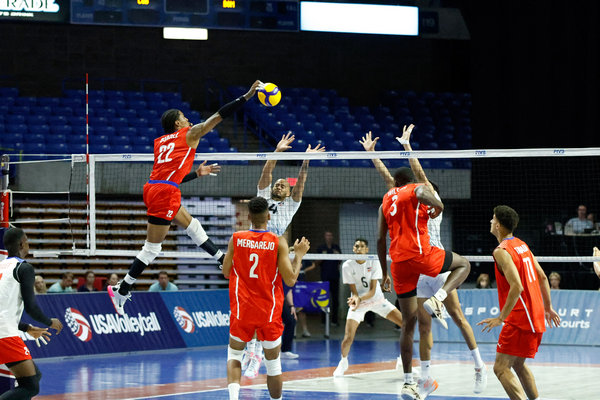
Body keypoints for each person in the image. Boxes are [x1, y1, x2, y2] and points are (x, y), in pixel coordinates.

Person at [108, 81, 262, 315]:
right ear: (177, 123)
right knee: (152, 248)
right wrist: (247, 96)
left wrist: (196, 174)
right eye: (184, 116)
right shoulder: (190, 134)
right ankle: (122, 287)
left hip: (156, 188)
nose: (189, 118)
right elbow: (219, 116)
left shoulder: (160, 143)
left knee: (192, 224)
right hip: (164, 192)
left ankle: (220, 258)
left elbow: (169, 177)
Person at [364, 128, 487, 395]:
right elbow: (391, 180)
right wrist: (373, 155)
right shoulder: (405, 197)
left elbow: (416, 176)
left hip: (435, 264)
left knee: (458, 316)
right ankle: (425, 377)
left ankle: (479, 367)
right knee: (421, 324)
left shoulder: (426, 196)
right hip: (420, 266)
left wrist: (407, 147)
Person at [243, 133, 323, 378]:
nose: (278, 185)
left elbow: (300, 183)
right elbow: (267, 171)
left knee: (270, 304)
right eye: (277, 184)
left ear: (288, 193)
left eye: (282, 185)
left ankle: (259, 351)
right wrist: (276, 151)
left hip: (275, 253)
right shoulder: (263, 197)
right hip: (255, 246)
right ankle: (251, 349)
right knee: (250, 302)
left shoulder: (292, 203)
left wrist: (306, 161)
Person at [222, 196, 310, 400]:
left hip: (242, 310)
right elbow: (290, 279)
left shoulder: (236, 238)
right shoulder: (278, 242)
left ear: (249, 216)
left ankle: (234, 398)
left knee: (234, 356)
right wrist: (299, 255)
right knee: (273, 364)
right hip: (268, 312)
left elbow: (226, 272)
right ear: (268, 216)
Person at [478, 205, 561, 400]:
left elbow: (517, 287)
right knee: (517, 364)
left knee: (500, 368)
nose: (490, 222)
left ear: (498, 225)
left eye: (492, 219)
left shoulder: (501, 251)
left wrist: (501, 318)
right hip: (535, 314)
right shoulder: (522, 245)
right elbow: (542, 277)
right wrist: (547, 308)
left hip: (520, 318)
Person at [0, 228, 63, 399]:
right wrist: (50, 322)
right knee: (30, 386)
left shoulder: (1, 267)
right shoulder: (23, 267)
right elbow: (31, 307)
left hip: (5, 331)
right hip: (5, 335)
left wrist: (26, 327)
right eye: (27, 241)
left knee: (34, 376)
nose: (28, 245)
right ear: (21, 244)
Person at [333, 238, 403, 377]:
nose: (359, 249)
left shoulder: (374, 261)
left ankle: (402, 360)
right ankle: (343, 362)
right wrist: (355, 299)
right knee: (348, 336)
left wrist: (359, 298)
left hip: (377, 300)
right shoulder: (347, 265)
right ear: (353, 249)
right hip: (358, 304)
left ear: (367, 249)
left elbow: (372, 290)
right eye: (356, 246)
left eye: (362, 246)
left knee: (406, 325)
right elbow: (353, 291)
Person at [315, 231, 342, 326]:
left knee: (335, 299)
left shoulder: (336, 247)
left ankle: (334, 320)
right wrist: (323, 256)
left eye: (330, 235)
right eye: (327, 235)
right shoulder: (321, 248)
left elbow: (340, 261)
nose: (329, 237)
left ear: (332, 237)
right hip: (325, 277)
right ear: (325, 237)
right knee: (324, 299)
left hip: (335, 276)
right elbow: (316, 263)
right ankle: (323, 321)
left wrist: (337, 254)